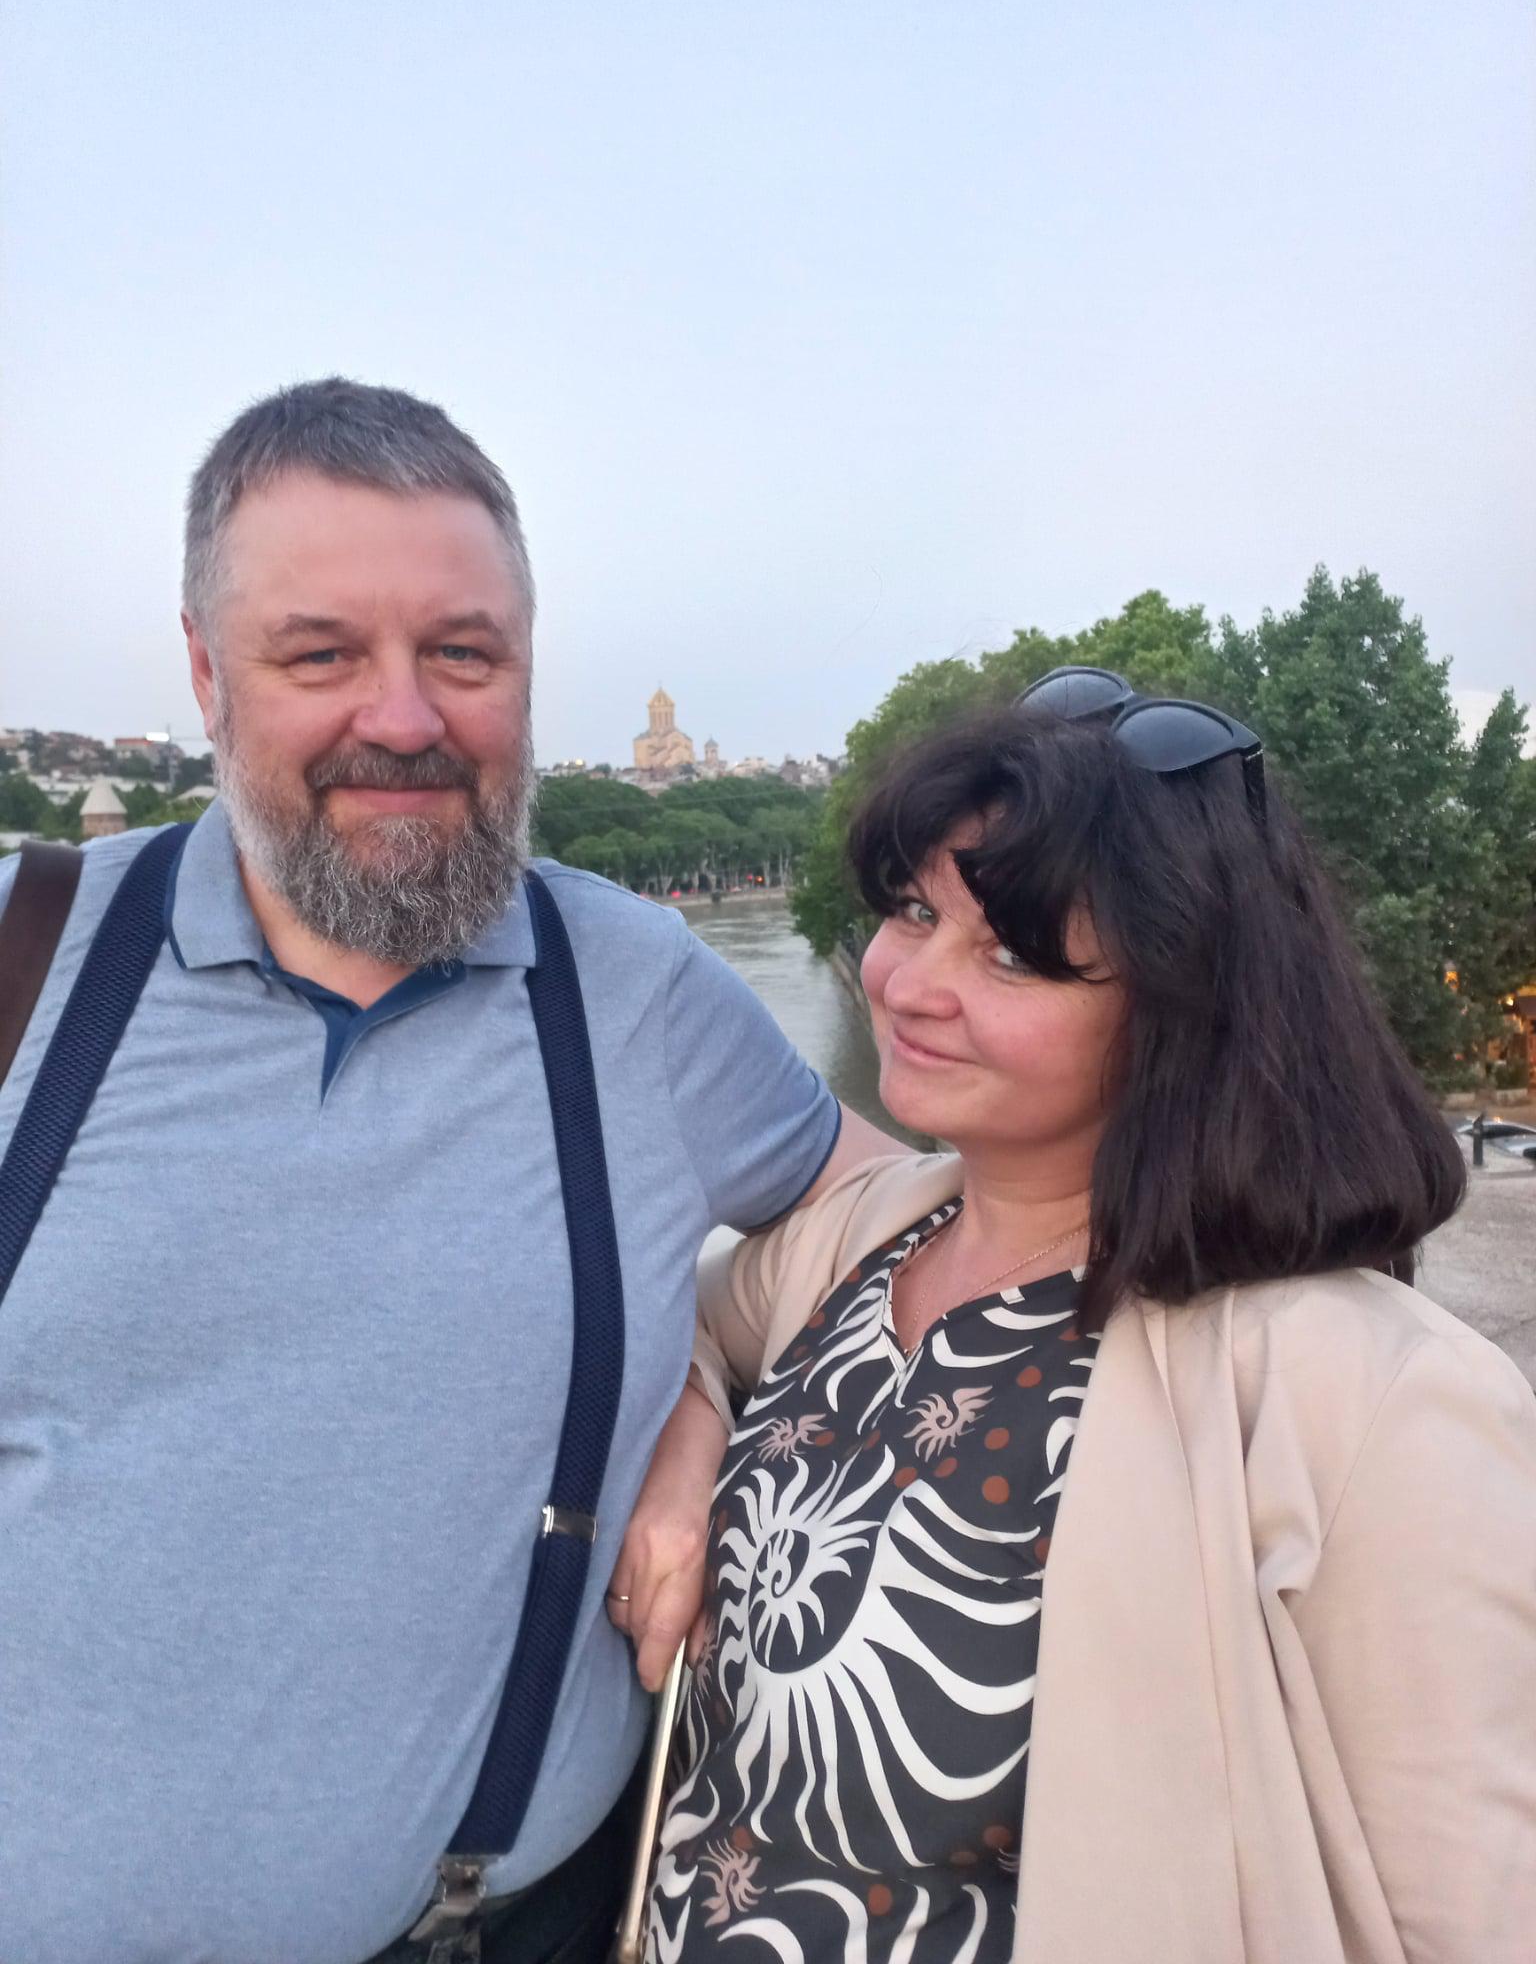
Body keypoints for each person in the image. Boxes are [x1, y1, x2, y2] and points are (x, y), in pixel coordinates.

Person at [0, 379, 899, 1964]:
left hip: (504, 1928)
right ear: (205, 673)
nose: (405, 720)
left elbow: (910, 1218)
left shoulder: (636, 988)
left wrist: (699, 1393)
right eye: (320, 654)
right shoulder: (26, 962)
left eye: (464, 655)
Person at [615, 672, 1536, 1964]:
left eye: (1010, 954)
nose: (908, 984)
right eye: (913, 911)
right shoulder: (860, 1238)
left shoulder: (1370, 1399)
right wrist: (682, 1453)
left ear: (1181, 1004)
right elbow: (683, 1337)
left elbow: (1467, 1915)